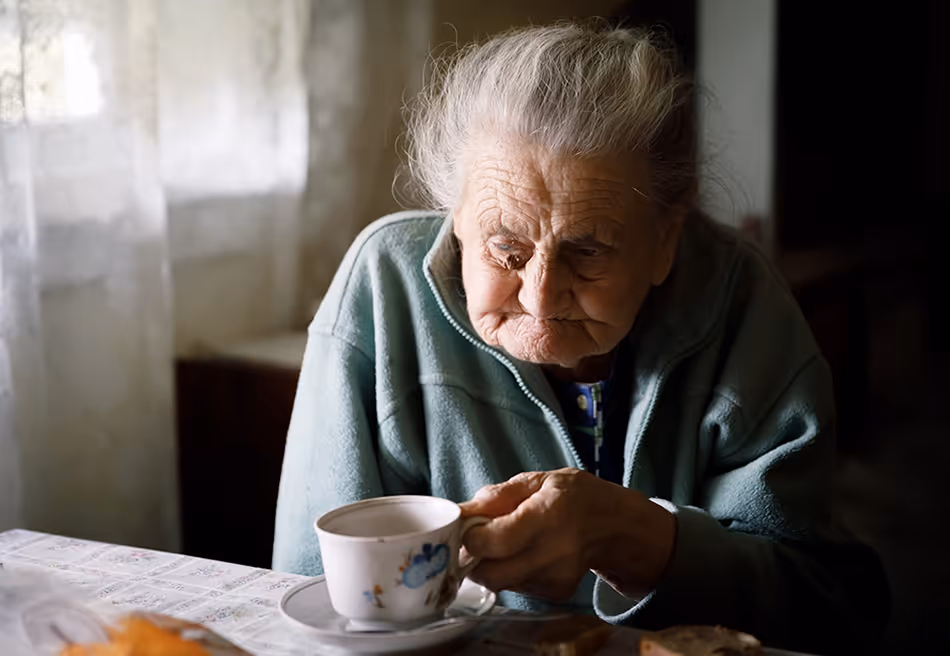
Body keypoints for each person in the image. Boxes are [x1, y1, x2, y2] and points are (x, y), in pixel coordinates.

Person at [273, 23, 887, 654]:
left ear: (665, 240)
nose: (540, 295)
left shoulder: (740, 303)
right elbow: (306, 589)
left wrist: (637, 539)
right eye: (506, 249)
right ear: (456, 217)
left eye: (587, 251)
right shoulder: (383, 287)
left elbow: (830, 609)